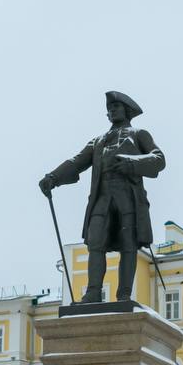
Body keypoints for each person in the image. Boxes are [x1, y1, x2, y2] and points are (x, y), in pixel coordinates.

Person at [39, 91, 166, 303]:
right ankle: (93, 292)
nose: (112, 110)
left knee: (128, 244)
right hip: (102, 196)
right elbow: (77, 161)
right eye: (109, 108)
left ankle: (124, 294)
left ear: (126, 110)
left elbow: (159, 158)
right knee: (95, 242)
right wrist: (53, 177)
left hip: (128, 197)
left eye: (116, 106)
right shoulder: (98, 141)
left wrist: (132, 164)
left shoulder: (139, 134)